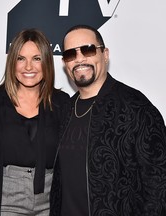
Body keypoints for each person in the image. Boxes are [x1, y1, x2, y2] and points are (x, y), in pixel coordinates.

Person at [50, 24, 166, 216]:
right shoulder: (66, 109)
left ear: (105, 54)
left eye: (87, 50)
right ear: (65, 63)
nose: (79, 58)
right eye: (71, 54)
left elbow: (159, 185)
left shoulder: (135, 106)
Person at [0, 29, 70, 215]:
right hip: (5, 200)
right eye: (20, 58)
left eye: (36, 58)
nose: (28, 67)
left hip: (50, 201)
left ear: (47, 62)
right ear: (12, 63)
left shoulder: (62, 103)